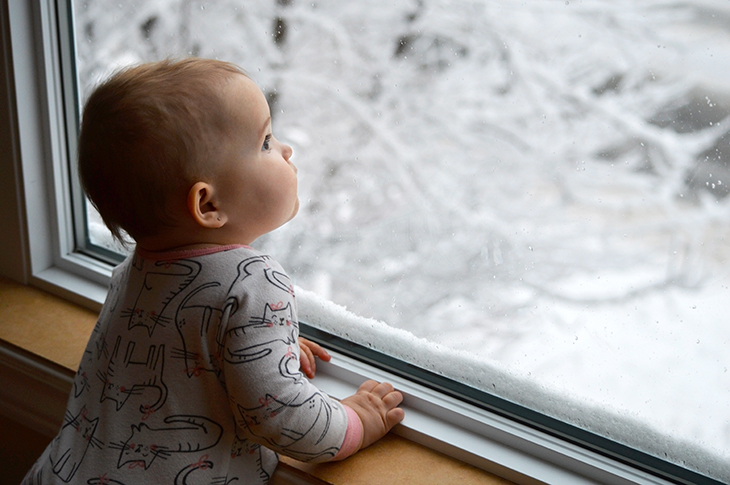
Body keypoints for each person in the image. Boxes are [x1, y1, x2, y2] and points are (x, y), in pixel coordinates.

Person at [22, 58, 404, 485]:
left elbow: (178, 349)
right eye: (264, 142)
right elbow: (282, 418)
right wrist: (358, 420)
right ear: (208, 205)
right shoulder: (253, 280)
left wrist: (259, 348)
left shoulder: (136, 272)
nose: (286, 149)